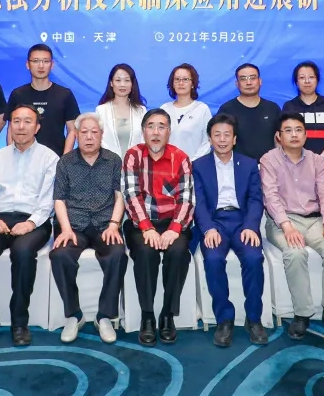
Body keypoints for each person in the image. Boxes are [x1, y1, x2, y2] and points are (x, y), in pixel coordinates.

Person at [0, 104, 58, 347]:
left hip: (34, 219)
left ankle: (19, 322)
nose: (21, 126)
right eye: (16, 121)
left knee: (23, 252)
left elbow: (48, 199)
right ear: (10, 125)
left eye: (28, 121)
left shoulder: (49, 158)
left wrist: (30, 223)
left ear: (37, 127)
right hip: (0, 217)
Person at [260, 111, 324, 340]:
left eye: (298, 130)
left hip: (315, 221)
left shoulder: (317, 160)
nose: (294, 135)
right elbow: (270, 197)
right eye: (288, 131)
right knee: (295, 253)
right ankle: (302, 314)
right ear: (279, 136)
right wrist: (287, 226)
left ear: (306, 134)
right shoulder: (269, 160)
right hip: (282, 221)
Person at [49, 113, 128, 344]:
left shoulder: (113, 160)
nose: (89, 137)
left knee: (117, 254)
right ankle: (74, 315)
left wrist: (114, 225)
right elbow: (59, 199)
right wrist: (65, 229)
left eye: (94, 132)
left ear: (102, 135)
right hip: (73, 225)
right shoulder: (65, 162)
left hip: (105, 224)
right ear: (76, 135)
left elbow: (120, 196)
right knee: (60, 255)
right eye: (84, 132)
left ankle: (105, 316)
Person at [123, 108, 195, 346]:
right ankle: (147, 315)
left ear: (169, 132)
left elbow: (186, 198)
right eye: (151, 126)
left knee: (178, 253)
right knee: (146, 253)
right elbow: (131, 194)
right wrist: (147, 228)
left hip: (173, 222)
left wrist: (174, 229)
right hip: (141, 223)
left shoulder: (180, 158)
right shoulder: (133, 155)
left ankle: (167, 314)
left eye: (161, 127)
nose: (155, 132)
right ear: (143, 131)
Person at [194, 114, 267, 347]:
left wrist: (251, 226)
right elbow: (198, 202)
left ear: (235, 139)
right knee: (213, 259)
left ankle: (254, 318)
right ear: (210, 139)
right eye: (217, 135)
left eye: (227, 135)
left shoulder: (249, 164)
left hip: (242, 221)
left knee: (254, 258)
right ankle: (224, 319)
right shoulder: (199, 166)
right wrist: (207, 229)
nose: (222, 139)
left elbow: (256, 198)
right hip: (215, 222)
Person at [6, 44, 81, 155]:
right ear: (27, 64)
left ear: (52, 65)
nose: (41, 66)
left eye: (46, 61)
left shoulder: (65, 94)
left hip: (56, 157)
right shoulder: (18, 94)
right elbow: (11, 129)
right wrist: (11, 155)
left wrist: (65, 159)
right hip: (23, 157)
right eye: (35, 61)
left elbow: (72, 130)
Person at [217, 64, 281, 162]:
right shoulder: (227, 110)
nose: (249, 82)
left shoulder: (273, 108)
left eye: (252, 78)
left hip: (269, 166)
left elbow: (280, 140)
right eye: (243, 79)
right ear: (237, 84)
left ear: (260, 81)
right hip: (238, 166)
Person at [282, 61, 324, 158]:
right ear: (296, 82)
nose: (307, 81)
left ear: (317, 80)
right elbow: (284, 136)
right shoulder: (289, 106)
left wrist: (321, 158)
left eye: (311, 77)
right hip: (295, 161)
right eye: (302, 78)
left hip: (323, 161)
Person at [161, 63, 212, 160]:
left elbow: (207, 142)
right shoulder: (164, 109)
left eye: (185, 79)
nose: (181, 83)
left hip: (194, 165)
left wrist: (192, 163)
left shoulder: (202, 109)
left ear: (192, 84)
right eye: (177, 79)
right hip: (166, 165)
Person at [95, 63, 147, 158]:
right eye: (118, 80)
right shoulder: (101, 110)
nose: (122, 84)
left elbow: (145, 140)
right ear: (111, 83)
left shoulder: (141, 111)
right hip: (108, 163)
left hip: (136, 164)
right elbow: (98, 140)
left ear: (132, 84)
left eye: (127, 80)